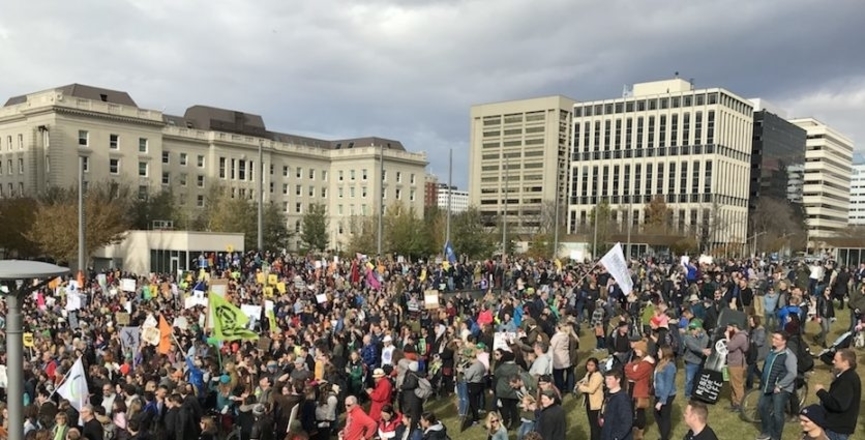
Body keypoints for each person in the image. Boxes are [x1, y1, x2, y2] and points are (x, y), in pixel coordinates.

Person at [757, 331, 797, 440]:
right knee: (762, 408)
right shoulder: (771, 351)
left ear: (784, 341)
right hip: (768, 386)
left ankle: (776, 436)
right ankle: (767, 432)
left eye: (777, 339)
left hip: (781, 389)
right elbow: (766, 366)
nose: (773, 340)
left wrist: (780, 385)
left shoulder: (788, 355)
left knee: (778, 413)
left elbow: (792, 373)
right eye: (773, 337)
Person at [814, 348, 860, 440]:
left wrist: (820, 392)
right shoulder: (846, 376)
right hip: (837, 426)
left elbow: (838, 404)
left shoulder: (847, 380)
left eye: (836, 360)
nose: (833, 361)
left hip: (836, 429)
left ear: (845, 362)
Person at [599, 369, 632, 440]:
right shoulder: (607, 394)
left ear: (618, 380)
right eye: (606, 378)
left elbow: (627, 421)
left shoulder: (622, 398)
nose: (607, 381)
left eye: (610, 379)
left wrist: (617, 437)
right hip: (606, 433)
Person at [576, 357, 604, 440]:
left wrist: (581, 387)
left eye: (592, 365)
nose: (589, 367)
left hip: (596, 404)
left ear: (596, 366)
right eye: (588, 365)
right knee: (592, 425)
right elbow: (586, 382)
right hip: (589, 403)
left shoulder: (598, 376)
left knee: (596, 426)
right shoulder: (588, 374)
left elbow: (591, 389)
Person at [652, 346, 676, 440]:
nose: (658, 353)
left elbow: (668, 385)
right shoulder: (661, 363)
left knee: (665, 416)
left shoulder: (670, 366)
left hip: (667, 395)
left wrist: (662, 401)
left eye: (659, 351)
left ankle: (664, 437)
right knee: (656, 414)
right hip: (659, 393)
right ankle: (663, 433)